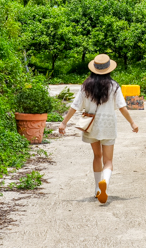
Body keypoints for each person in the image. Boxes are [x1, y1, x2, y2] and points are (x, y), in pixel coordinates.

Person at [58, 54, 138, 204]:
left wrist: (64, 123)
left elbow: (74, 106)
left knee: (97, 156)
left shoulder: (86, 86)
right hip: (108, 125)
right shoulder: (114, 86)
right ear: (108, 69)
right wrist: (132, 123)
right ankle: (105, 184)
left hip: (91, 124)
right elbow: (122, 107)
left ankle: (96, 189)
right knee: (108, 161)